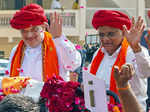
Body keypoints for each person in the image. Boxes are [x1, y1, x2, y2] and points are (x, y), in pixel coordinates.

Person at [1, 3, 81, 86]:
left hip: (51, 98)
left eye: (34, 29)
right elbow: (9, 79)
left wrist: (58, 39)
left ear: (44, 27)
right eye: (24, 31)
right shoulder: (16, 50)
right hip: (20, 98)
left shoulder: (58, 45)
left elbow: (73, 64)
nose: (29, 35)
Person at [89, 10, 150, 110]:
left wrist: (136, 48)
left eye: (111, 34)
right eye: (101, 35)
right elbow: (91, 78)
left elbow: (146, 72)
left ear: (123, 33)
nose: (105, 39)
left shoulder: (134, 52)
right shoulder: (98, 54)